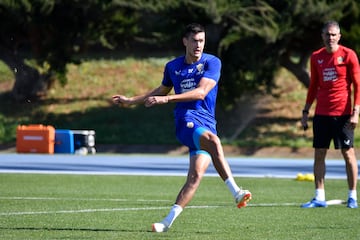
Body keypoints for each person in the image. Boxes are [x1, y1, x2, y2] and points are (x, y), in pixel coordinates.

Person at [112, 23, 252, 232]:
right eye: (194, 40)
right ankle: (236, 192)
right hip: (186, 121)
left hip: (207, 123)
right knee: (214, 142)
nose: (198, 45)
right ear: (185, 41)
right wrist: (131, 100)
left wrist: (166, 100)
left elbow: (200, 93)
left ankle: (166, 222)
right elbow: (162, 89)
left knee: (194, 178)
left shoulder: (212, 62)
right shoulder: (173, 66)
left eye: (202, 41)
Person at [301, 20, 360, 208]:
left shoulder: (349, 55)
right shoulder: (316, 57)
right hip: (321, 114)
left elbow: (358, 86)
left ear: (339, 36)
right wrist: (305, 111)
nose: (330, 38)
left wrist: (356, 112)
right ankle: (319, 197)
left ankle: (352, 196)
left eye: (334, 34)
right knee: (319, 153)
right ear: (322, 36)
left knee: (348, 153)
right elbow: (313, 86)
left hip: (343, 114)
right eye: (327, 34)